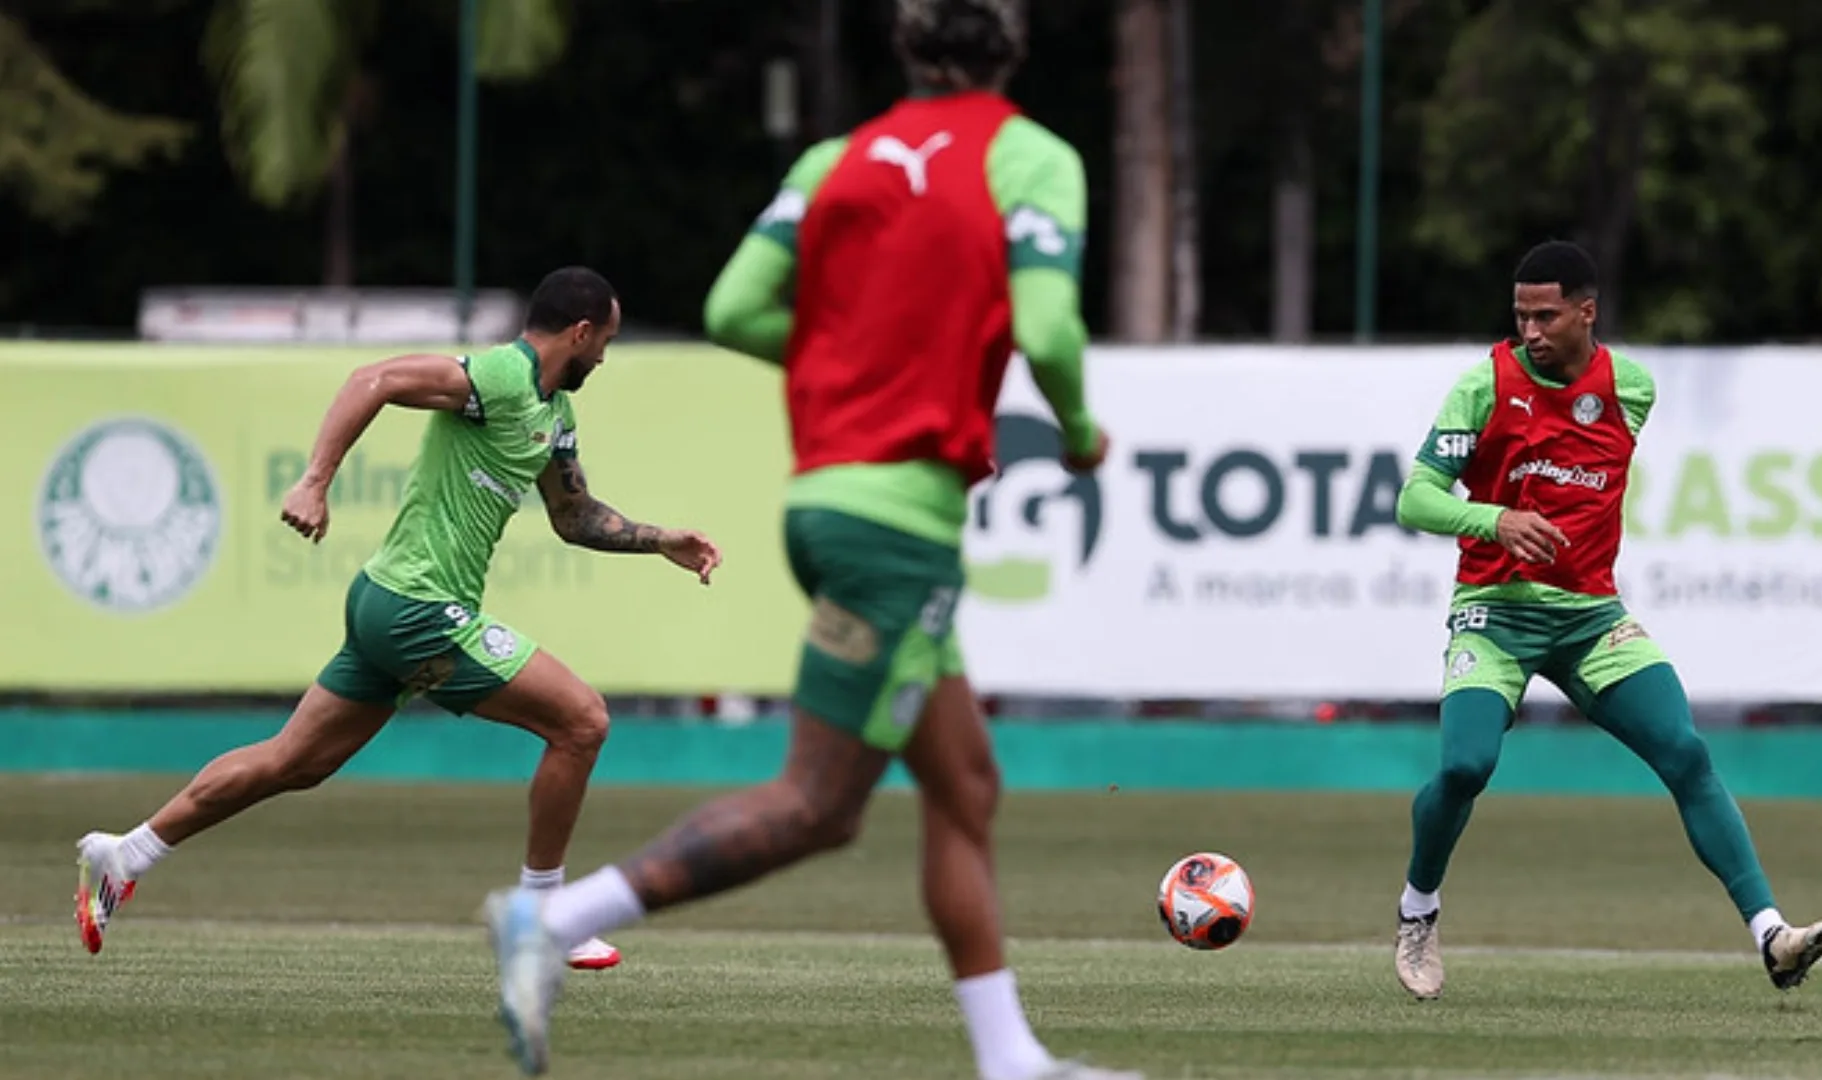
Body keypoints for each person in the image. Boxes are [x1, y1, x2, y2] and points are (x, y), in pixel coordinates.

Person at [480, 4, 1138, 1078]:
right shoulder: (1030, 156)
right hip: (895, 529)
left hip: (827, 499)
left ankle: (1013, 1060)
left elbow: (735, 308)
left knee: (964, 786)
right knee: (820, 806)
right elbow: (1054, 327)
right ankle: (548, 923)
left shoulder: (839, 158)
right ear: (1012, 42)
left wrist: (854, 357)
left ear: (907, 42)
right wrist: (1074, 430)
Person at [74, 266, 722, 974]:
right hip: (415, 606)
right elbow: (372, 379)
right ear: (581, 332)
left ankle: (127, 851)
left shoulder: (555, 415)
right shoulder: (498, 377)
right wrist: (315, 482)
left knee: (294, 762)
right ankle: (546, 913)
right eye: (606, 342)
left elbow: (572, 516)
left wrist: (661, 541)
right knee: (582, 721)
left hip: (390, 603)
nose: (604, 357)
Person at [1389, 240, 1822, 1000]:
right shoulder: (1485, 386)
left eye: (1546, 314)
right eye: (1520, 315)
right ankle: (1417, 913)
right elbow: (1415, 497)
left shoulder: (1630, 388)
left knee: (1686, 753)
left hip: (1592, 618)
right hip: (1495, 613)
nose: (1529, 331)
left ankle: (1772, 935)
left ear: (1587, 311)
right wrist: (1495, 519)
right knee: (1466, 767)